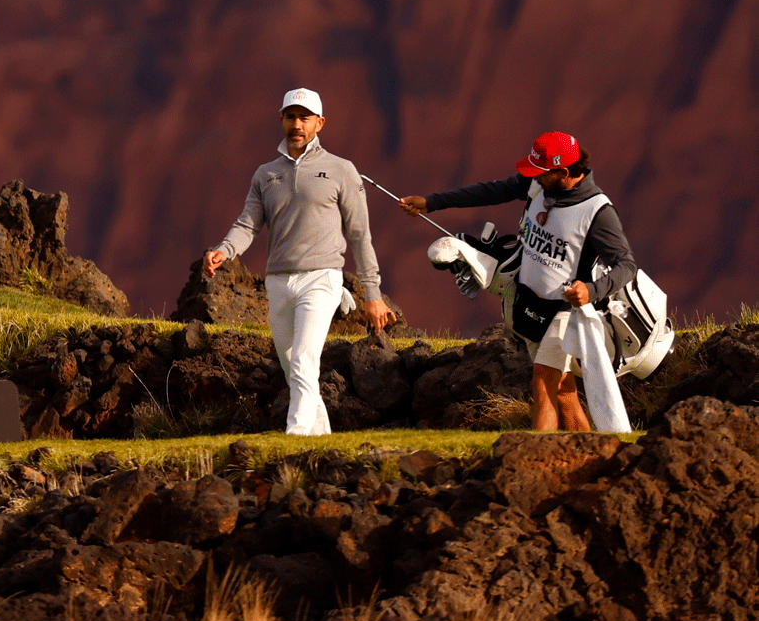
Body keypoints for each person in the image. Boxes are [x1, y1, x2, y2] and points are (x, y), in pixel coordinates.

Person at [399, 131, 637, 432]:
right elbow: (491, 191)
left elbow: (626, 264)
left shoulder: (598, 211)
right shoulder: (539, 185)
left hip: (564, 313)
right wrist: (432, 203)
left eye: (541, 172)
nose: (533, 177)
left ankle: (534, 463)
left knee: (543, 381)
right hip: (528, 304)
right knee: (563, 391)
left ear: (564, 171)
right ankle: (591, 456)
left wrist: (590, 290)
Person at [204, 88, 394, 435]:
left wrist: (373, 292)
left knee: (305, 361)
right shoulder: (265, 174)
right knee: (295, 367)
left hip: (322, 279)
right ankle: (320, 440)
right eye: (291, 116)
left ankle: (294, 437)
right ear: (282, 120)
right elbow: (248, 224)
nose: (297, 124)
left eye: (305, 117)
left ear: (319, 123)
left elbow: (359, 235)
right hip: (278, 281)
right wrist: (224, 250)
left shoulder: (341, 170)